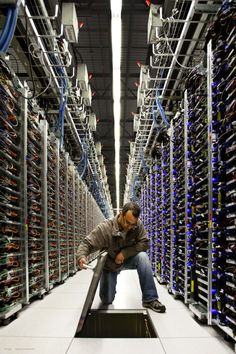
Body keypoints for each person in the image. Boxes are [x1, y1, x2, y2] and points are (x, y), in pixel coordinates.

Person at [77, 201, 166, 313]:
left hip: (128, 259)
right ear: (121, 214)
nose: (130, 227)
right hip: (110, 264)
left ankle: (150, 298)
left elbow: (145, 242)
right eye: (127, 223)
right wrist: (81, 256)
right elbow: (87, 243)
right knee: (107, 300)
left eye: (133, 224)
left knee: (143, 257)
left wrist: (125, 253)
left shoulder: (136, 225)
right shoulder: (105, 228)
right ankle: (110, 285)